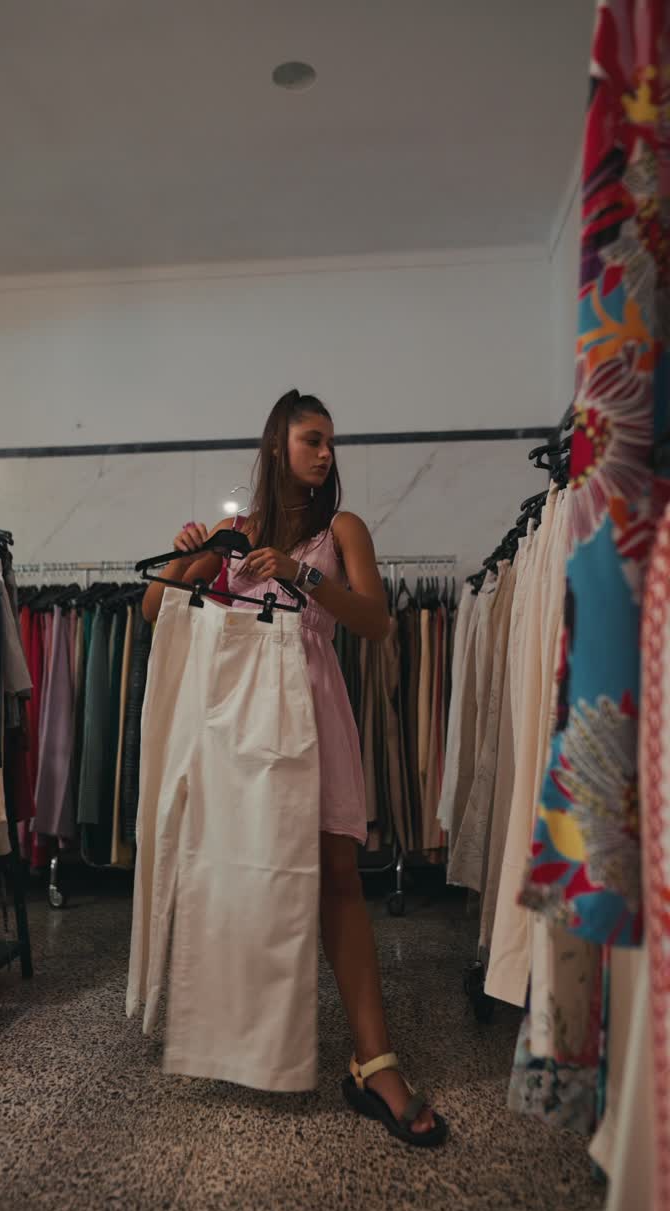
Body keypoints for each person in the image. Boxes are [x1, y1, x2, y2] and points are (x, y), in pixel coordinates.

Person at [143, 389, 446, 1148]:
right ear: (278, 443)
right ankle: (244, 1040)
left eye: (331, 442)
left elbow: (375, 621)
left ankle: (375, 1062)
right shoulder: (238, 533)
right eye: (313, 439)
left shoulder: (342, 528)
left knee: (339, 879)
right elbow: (155, 611)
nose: (326, 453)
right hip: (240, 730)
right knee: (238, 875)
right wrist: (187, 552)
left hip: (313, 712)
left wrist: (301, 576)